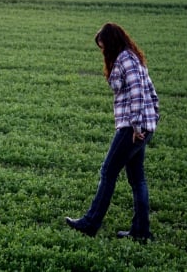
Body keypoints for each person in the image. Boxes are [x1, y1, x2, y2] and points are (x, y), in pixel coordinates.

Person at [65, 22, 159, 240]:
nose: (103, 51)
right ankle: (141, 232)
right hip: (143, 126)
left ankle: (90, 223)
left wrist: (137, 126)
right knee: (137, 179)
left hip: (132, 128)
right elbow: (152, 94)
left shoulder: (126, 60)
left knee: (108, 172)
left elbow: (137, 93)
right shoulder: (134, 59)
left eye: (104, 46)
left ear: (112, 42)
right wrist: (152, 120)